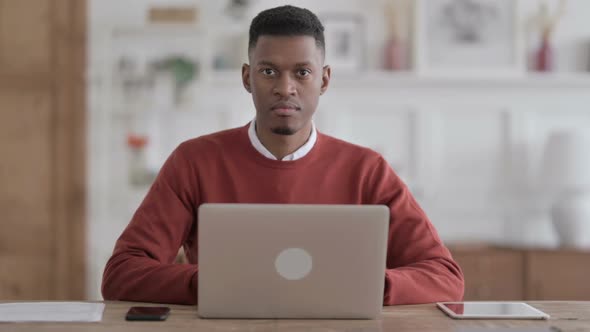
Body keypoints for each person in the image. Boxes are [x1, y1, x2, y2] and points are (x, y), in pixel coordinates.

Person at [102, 5, 464, 305]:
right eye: (268, 71)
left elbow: (445, 277)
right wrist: (214, 284)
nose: (284, 87)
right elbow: (122, 274)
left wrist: (368, 286)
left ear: (323, 80)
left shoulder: (367, 170)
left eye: (302, 73)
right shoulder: (194, 161)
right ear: (247, 78)